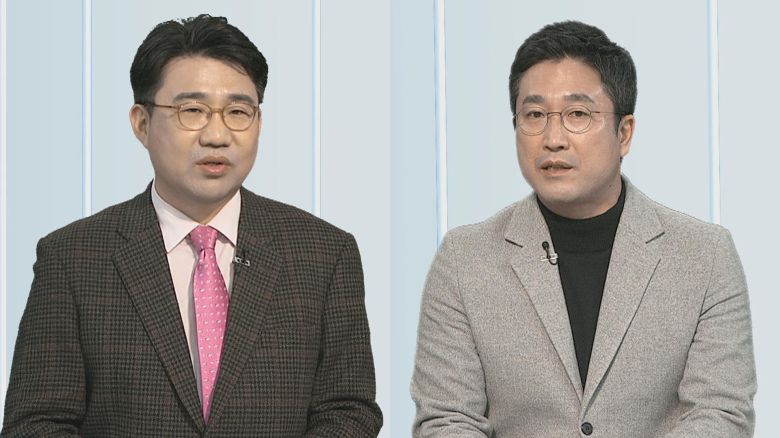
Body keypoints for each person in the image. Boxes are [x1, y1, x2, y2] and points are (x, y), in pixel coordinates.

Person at [2, 14, 381, 437]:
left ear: (259, 122)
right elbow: (37, 423)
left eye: (238, 111)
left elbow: (348, 411)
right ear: (142, 123)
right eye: (193, 111)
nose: (217, 135)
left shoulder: (324, 254)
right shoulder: (73, 258)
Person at [411, 20, 755, 437]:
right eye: (534, 115)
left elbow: (721, 413)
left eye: (577, 114)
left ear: (624, 133)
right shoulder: (465, 259)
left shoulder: (705, 255)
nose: (553, 138)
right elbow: (448, 418)